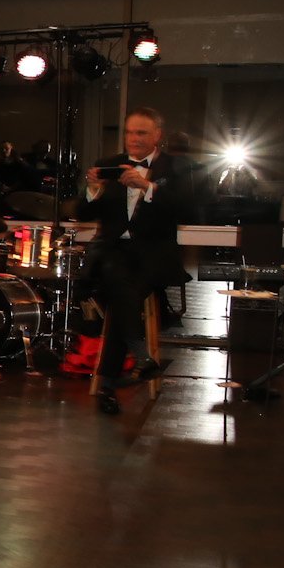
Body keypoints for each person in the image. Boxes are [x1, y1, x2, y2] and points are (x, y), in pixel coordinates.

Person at [82, 106, 190, 415]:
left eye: (141, 133)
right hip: (113, 253)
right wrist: (93, 189)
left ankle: (112, 381)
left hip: (154, 256)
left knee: (120, 293)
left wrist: (147, 187)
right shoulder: (109, 165)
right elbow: (82, 212)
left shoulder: (175, 167)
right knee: (118, 280)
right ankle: (138, 358)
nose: (134, 138)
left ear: (157, 135)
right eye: (130, 132)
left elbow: (187, 206)